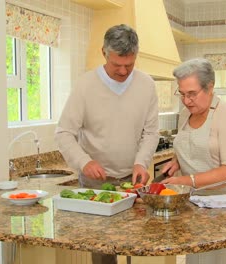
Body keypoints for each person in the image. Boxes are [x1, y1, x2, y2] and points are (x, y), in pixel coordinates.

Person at [55, 24, 159, 264]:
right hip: (96, 184)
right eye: (117, 65)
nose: (123, 72)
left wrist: (141, 162)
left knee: (137, 243)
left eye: (129, 65)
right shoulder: (85, 85)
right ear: (104, 53)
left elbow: (151, 132)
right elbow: (63, 133)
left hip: (133, 182)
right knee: (103, 250)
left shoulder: (146, 85)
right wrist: (84, 161)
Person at [161, 58, 226, 264]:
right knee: (199, 256)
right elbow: (192, 144)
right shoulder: (185, 114)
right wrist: (177, 161)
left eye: (192, 94)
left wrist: (186, 181)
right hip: (197, 202)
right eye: (182, 94)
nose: (186, 100)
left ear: (210, 87)